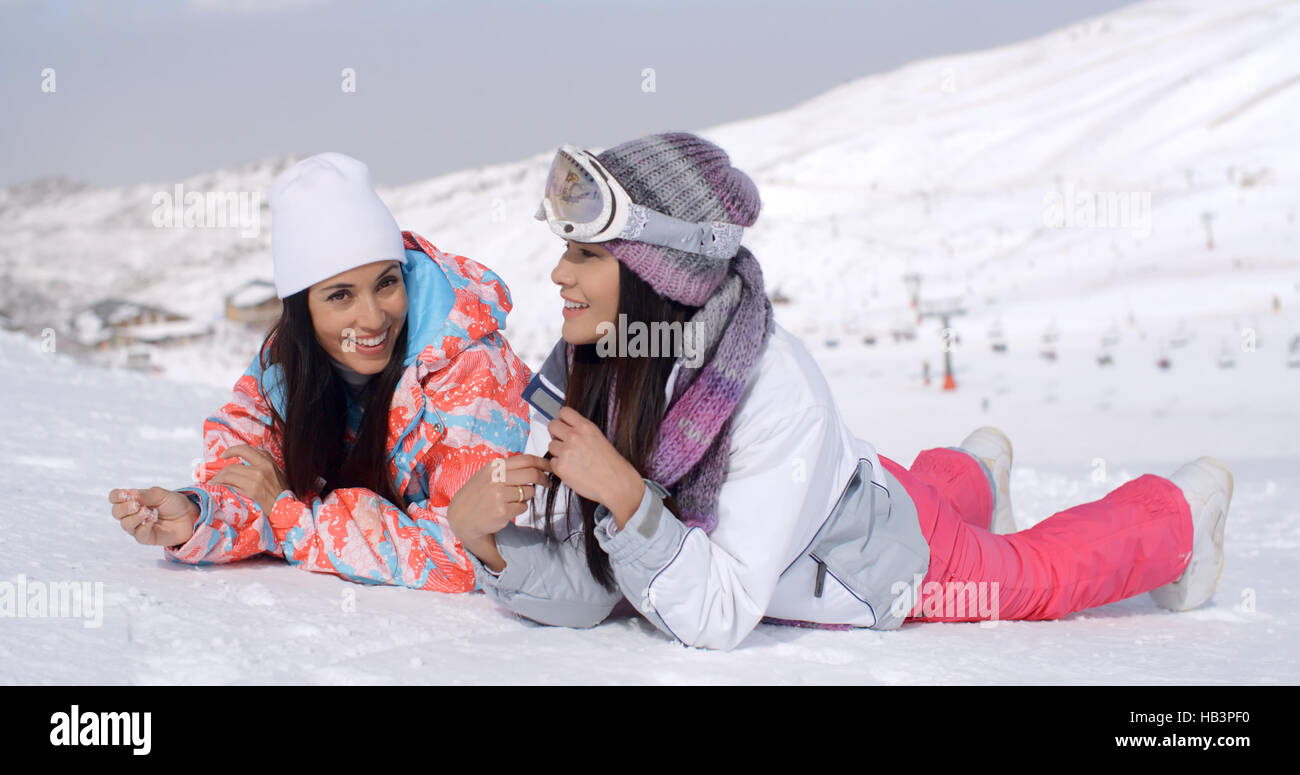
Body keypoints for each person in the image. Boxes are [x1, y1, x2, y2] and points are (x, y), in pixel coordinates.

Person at [445, 132, 1235, 650]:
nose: (558, 273)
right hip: (842, 487)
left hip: (879, 552)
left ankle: (1179, 520)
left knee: (1035, 576)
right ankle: (974, 477)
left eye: (585, 254)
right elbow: (597, 583)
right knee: (912, 488)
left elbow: (719, 615)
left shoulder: (770, 386)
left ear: (660, 271)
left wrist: (625, 496)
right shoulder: (604, 369)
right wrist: (484, 539)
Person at [108, 152, 531, 592]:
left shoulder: (473, 370)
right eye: (340, 296)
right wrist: (199, 516)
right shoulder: (286, 364)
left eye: (387, 282)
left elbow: (465, 553)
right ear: (302, 309)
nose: (372, 319)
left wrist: (292, 519)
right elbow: (250, 474)